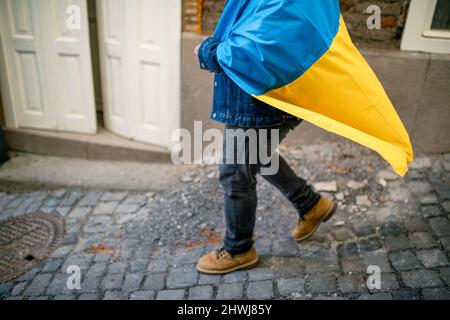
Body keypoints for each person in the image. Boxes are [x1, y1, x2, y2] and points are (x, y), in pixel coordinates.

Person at [193, 5, 337, 275]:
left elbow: (265, 42)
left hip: (259, 96)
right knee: (258, 154)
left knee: (236, 172)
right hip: (262, 92)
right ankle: (311, 205)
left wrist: (209, 52)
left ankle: (239, 249)